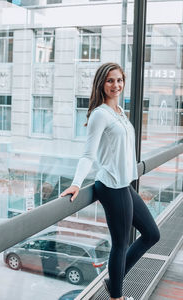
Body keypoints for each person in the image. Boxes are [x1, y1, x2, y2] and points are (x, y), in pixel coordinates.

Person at [60, 62, 160, 300]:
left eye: (119, 80)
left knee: (152, 234)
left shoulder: (119, 112)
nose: (116, 85)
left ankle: (112, 279)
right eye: (110, 81)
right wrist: (76, 183)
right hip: (111, 186)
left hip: (123, 184)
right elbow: (88, 155)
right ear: (101, 84)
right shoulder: (100, 114)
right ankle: (117, 296)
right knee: (120, 244)